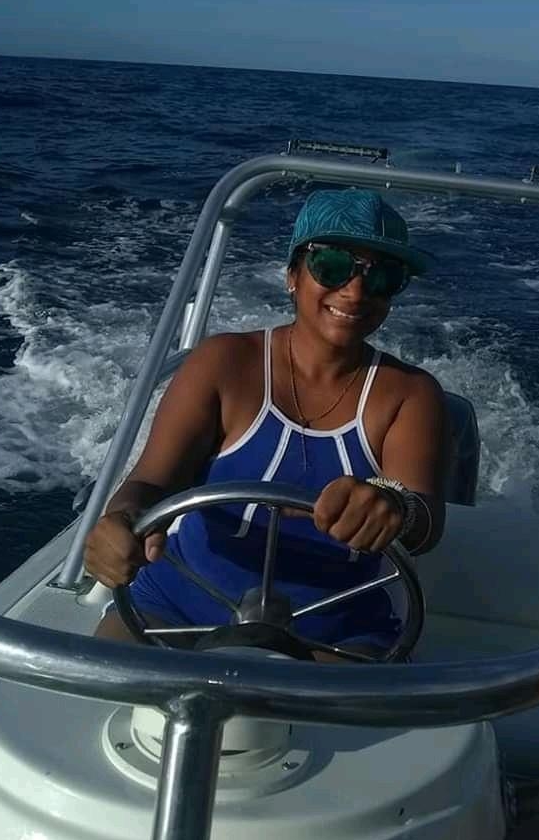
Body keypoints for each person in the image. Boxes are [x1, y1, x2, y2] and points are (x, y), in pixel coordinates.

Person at [85, 188, 450, 660]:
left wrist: (393, 504)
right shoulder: (222, 363)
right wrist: (120, 520)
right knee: (104, 686)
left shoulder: (411, 394)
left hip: (337, 628)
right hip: (174, 606)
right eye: (332, 266)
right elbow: (151, 481)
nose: (356, 291)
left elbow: (424, 520)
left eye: (382, 276)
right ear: (292, 276)